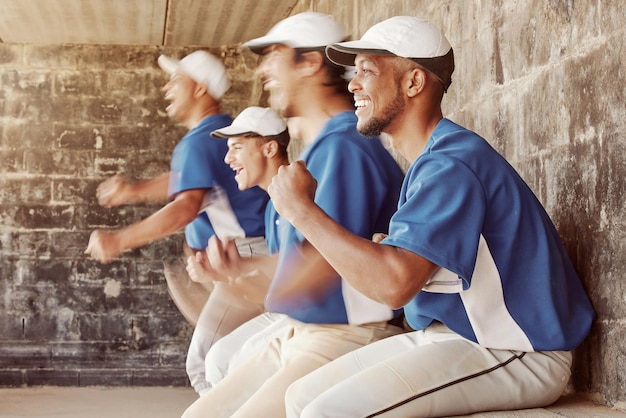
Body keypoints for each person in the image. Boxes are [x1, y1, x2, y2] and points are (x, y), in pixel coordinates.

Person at [265, 16, 596, 417]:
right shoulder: (434, 159)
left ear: (414, 83)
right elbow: (407, 272)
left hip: (517, 349)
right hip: (452, 336)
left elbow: (393, 285)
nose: (352, 83)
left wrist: (302, 211)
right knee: (299, 397)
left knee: (329, 412)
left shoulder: (452, 162)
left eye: (367, 71)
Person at [182, 12, 406, 418]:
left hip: (345, 334)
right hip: (303, 330)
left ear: (309, 63)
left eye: (273, 56)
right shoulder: (323, 149)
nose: (264, 69)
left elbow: (324, 266)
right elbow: (301, 259)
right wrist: (239, 272)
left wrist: (249, 289)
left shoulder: (345, 147)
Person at [84, 50, 270, 390]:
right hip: (256, 255)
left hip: (245, 259)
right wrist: (134, 191)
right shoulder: (219, 134)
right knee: (244, 358)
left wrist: (119, 239)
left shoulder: (199, 141)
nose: (167, 88)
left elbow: (186, 205)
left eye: (175, 80)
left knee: (204, 364)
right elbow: (190, 179)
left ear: (200, 89)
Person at [184, 105, 291, 396]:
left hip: (311, 320)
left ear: (269, 149)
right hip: (289, 312)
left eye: (237, 147)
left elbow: (304, 274)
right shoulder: (273, 205)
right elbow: (282, 272)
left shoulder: (295, 195)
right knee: (215, 360)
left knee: (215, 362)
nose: (228, 158)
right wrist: (230, 270)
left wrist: (237, 270)